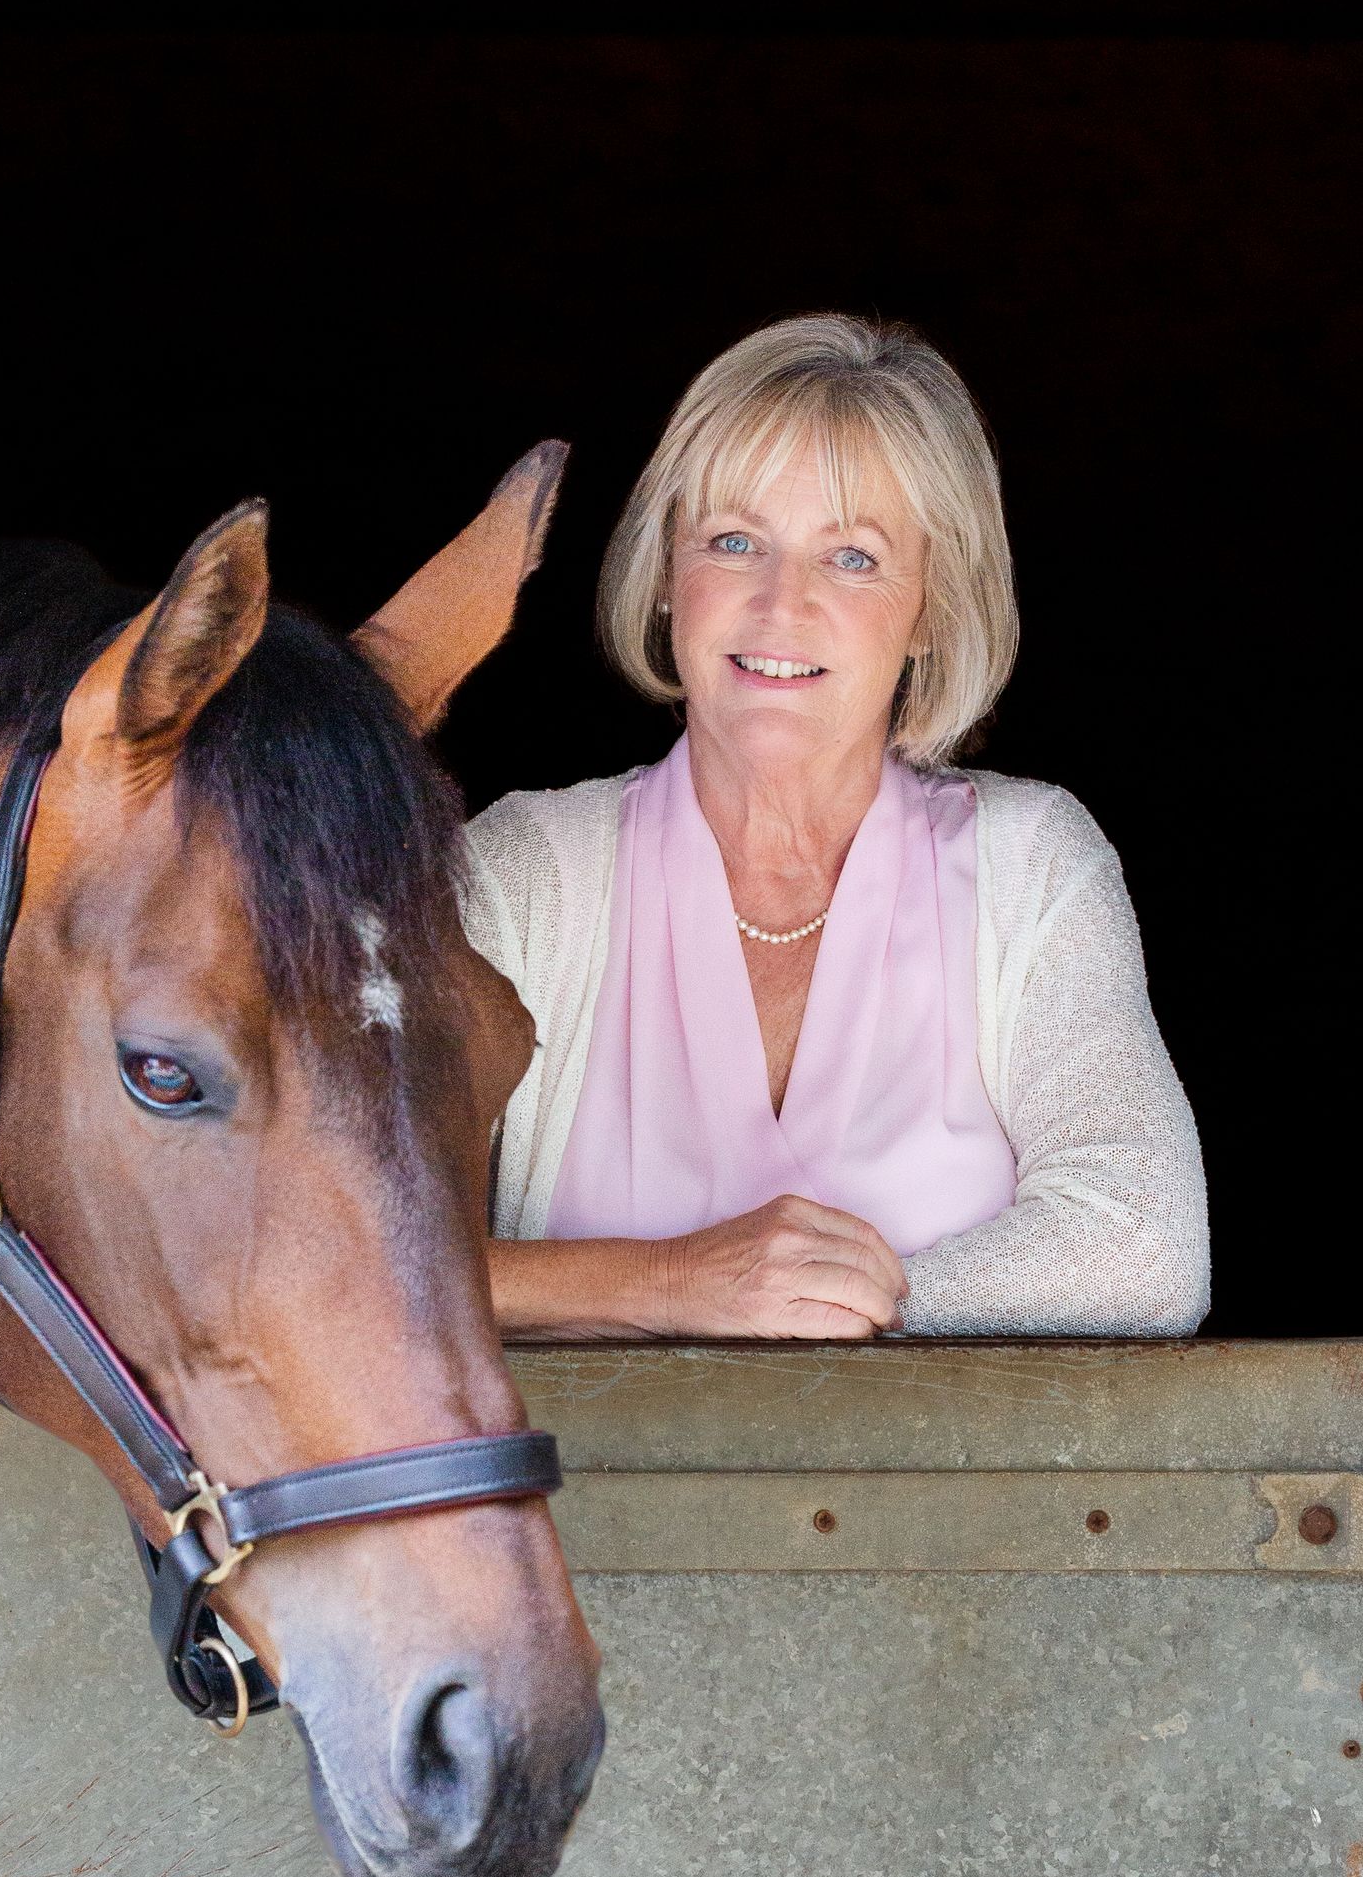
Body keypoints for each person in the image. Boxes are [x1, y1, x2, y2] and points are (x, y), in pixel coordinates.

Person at [465, 313, 1209, 1340]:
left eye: (852, 559)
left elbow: (1146, 1247)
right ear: (668, 576)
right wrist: (674, 1283)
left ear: (934, 607)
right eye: (734, 542)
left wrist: (851, 1311)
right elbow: (340, 1268)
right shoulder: (524, 874)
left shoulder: (1030, 863)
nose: (782, 604)